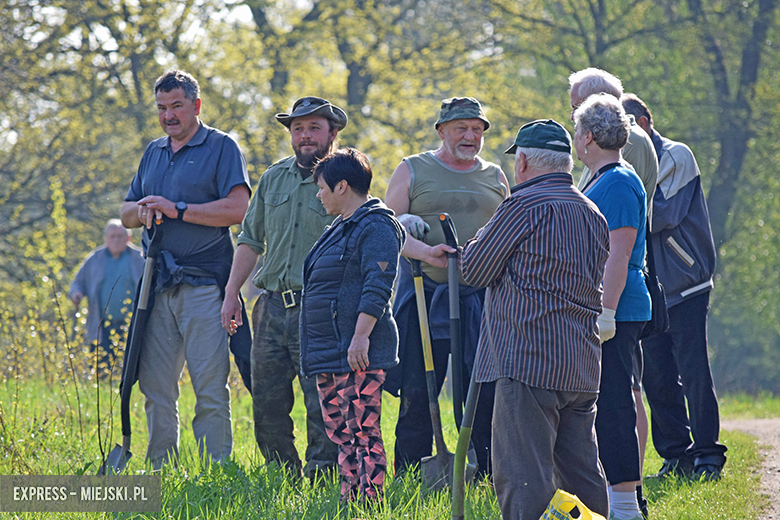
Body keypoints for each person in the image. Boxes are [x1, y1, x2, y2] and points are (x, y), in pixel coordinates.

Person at [462, 119, 610, 520]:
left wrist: (474, 241)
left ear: (523, 161)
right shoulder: (593, 212)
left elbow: (473, 270)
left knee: (525, 479)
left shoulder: (522, 205)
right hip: (580, 363)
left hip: (528, 361)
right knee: (583, 478)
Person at [120, 70, 251, 468]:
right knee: (156, 387)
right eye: (161, 108)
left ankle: (217, 470)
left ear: (196, 106)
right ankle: (162, 469)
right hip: (157, 284)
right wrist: (143, 212)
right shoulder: (153, 151)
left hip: (205, 284)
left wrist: (176, 210)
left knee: (210, 386)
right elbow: (125, 212)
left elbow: (238, 208)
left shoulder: (222, 146)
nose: (168, 116)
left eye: (176, 106)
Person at [384, 96, 509, 477]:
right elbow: (387, 230)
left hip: (481, 301)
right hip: (425, 296)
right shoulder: (412, 169)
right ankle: (409, 476)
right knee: (418, 393)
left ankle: (487, 475)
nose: (470, 136)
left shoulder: (496, 176)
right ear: (442, 131)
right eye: (461, 129)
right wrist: (426, 251)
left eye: (477, 129)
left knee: (484, 394)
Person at [221, 96, 345, 479]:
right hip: (271, 307)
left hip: (321, 308)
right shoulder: (273, 178)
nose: (305, 136)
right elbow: (250, 240)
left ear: (332, 133)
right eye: (298, 128)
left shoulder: (345, 180)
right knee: (267, 402)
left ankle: (322, 479)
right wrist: (231, 294)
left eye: (313, 128)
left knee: (321, 401)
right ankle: (281, 476)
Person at [622, 93, 727, 481]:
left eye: (630, 127)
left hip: (686, 284)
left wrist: (619, 204)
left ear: (645, 122)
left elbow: (661, 215)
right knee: (656, 375)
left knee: (694, 370)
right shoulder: (624, 166)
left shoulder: (676, 156)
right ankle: (675, 456)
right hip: (649, 287)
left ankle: (708, 455)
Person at [570, 67, 658, 514]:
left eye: (576, 128)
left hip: (618, 311)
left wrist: (604, 312)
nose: (574, 138)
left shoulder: (620, 181)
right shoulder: (601, 179)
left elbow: (618, 254)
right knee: (605, 403)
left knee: (617, 404)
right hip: (607, 309)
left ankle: (625, 502)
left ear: (588, 137)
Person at [300, 148, 405, 502]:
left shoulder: (377, 225)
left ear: (342, 186)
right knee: (341, 433)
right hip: (331, 351)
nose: (319, 194)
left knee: (363, 431)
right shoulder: (340, 227)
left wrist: (361, 337)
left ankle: (372, 503)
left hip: (357, 353)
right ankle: (350, 500)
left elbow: (378, 286)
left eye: (323, 187)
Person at [69, 219, 144, 370]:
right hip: (101, 325)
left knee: (130, 368)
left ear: (128, 238)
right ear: (106, 238)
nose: (116, 240)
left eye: (120, 236)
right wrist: (76, 293)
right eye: (112, 236)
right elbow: (77, 282)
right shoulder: (94, 258)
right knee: (100, 368)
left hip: (132, 325)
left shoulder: (139, 258)